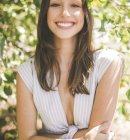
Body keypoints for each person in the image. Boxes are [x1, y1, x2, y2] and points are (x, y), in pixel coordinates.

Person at [16, 0, 124, 139]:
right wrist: (82, 137)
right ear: (45, 12)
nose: (65, 13)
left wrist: (48, 137)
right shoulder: (27, 73)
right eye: (55, 5)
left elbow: (99, 135)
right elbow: (26, 137)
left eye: (74, 5)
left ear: (85, 13)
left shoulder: (108, 63)